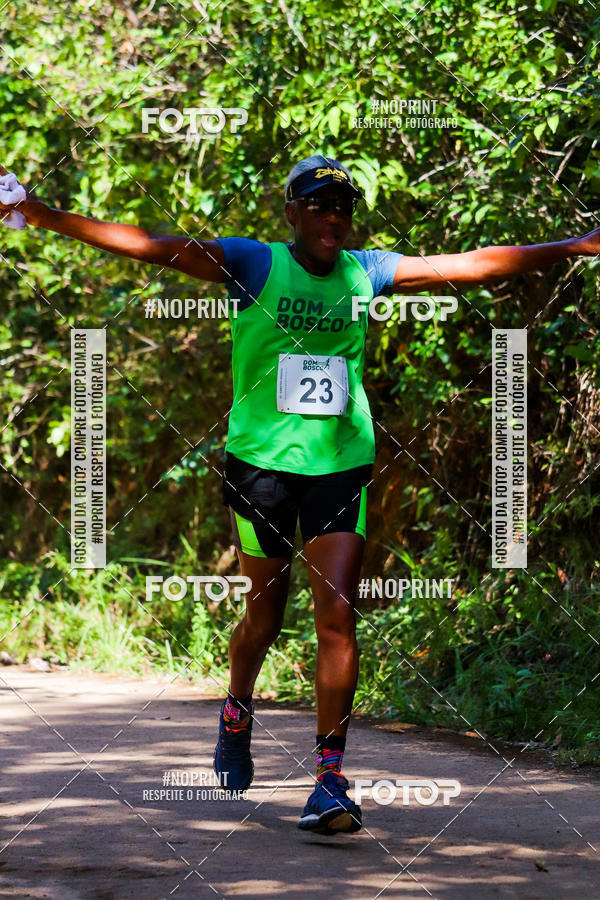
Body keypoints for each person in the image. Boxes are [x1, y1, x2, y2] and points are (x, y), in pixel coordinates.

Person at [2, 155, 599, 836]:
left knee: (337, 617)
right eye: (318, 206)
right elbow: (150, 244)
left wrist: (575, 246)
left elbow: (475, 264)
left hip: (339, 465)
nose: (333, 218)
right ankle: (237, 709)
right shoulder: (253, 264)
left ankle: (329, 780)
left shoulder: (366, 271)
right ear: (291, 212)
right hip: (260, 468)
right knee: (263, 618)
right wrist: (41, 214)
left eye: (343, 208)